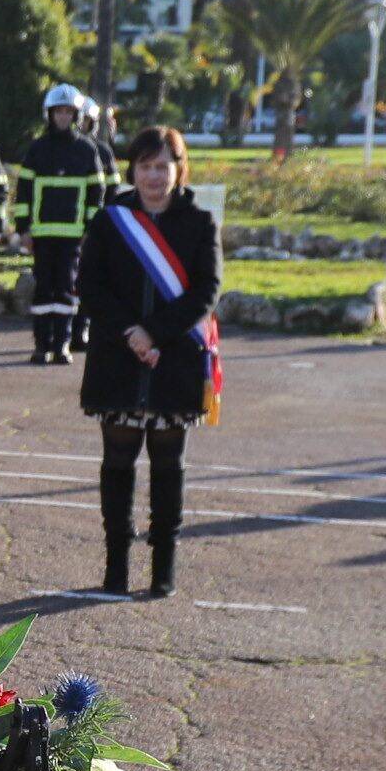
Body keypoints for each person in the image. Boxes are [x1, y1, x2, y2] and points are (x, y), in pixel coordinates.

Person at [79, 128, 223, 596]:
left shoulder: (200, 223)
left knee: (167, 466)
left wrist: (156, 333)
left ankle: (163, 570)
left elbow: (206, 290)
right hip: (118, 358)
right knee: (117, 464)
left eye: (163, 166)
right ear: (132, 170)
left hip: (175, 358)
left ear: (180, 168)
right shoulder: (109, 221)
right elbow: (91, 288)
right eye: (145, 166)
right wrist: (131, 334)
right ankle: (115, 568)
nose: (154, 176)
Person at [19, 85, 105, 360]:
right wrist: (23, 229)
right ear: (50, 114)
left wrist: (90, 229)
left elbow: (97, 194)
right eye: (59, 112)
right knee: (44, 288)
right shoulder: (37, 150)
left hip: (73, 236)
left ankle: (62, 344)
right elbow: (23, 192)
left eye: (68, 112)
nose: (63, 117)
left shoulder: (86, 150)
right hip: (42, 235)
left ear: (77, 115)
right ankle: (41, 345)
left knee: (67, 288)